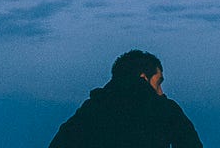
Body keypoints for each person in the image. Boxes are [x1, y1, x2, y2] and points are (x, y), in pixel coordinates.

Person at [49, 49, 203, 148]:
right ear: (143, 78)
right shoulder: (163, 108)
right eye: (158, 83)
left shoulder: (91, 110)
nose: (161, 92)